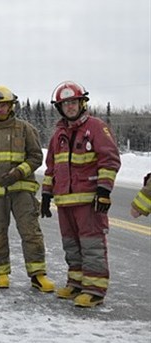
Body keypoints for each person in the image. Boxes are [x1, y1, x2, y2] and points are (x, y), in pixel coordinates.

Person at [0, 85, 55, 292]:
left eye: (4, 105)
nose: (1, 109)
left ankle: (38, 275)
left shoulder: (25, 129)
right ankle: (1, 273)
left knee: (31, 233)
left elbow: (36, 157)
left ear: (11, 106)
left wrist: (19, 172)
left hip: (22, 192)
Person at [41, 81, 121, 308]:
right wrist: (46, 195)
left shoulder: (95, 127)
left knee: (91, 244)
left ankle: (94, 290)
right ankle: (76, 283)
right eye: (65, 104)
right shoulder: (58, 135)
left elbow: (110, 160)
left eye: (73, 102)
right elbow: (51, 167)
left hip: (89, 201)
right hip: (64, 201)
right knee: (71, 245)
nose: (70, 107)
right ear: (59, 107)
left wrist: (104, 191)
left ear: (82, 102)